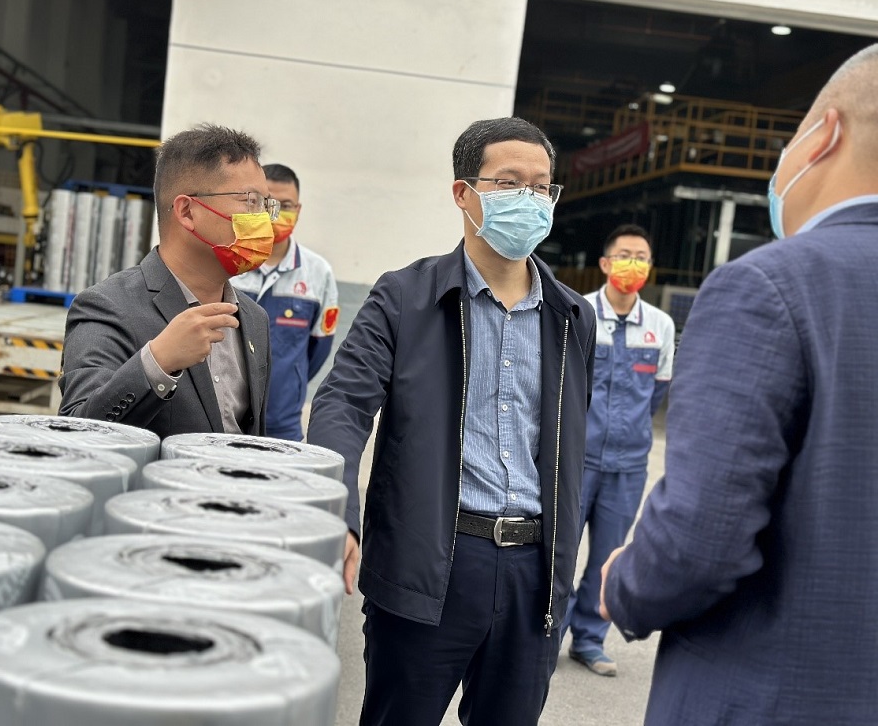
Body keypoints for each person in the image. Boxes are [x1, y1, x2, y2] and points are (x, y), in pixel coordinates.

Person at [599, 44, 878, 724]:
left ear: (824, 135)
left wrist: (626, 584)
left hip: (771, 696)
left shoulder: (769, 286)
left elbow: (702, 538)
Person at [307, 117, 596, 726]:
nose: (529, 199)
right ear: (463, 193)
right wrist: (337, 510)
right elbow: (343, 404)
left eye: (541, 187)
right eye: (509, 183)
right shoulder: (405, 297)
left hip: (533, 573)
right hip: (430, 561)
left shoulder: (571, 317)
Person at [59, 124, 274, 439]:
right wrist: (157, 363)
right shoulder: (108, 306)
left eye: (266, 205)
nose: (264, 220)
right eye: (250, 202)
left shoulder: (254, 319)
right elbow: (78, 431)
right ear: (187, 212)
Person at [563, 224, 674, 677]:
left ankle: (589, 640)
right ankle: (544, 638)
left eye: (641, 257)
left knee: (608, 556)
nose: (633, 264)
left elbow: (657, 393)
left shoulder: (660, 326)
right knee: (558, 552)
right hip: (575, 460)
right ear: (606, 263)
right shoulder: (578, 311)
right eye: (625, 255)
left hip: (627, 467)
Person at [232, 164, 339, 441]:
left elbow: (319, 349)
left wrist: (288, 380)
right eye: (266, 202)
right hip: (225, 419)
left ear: (298, 210)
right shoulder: (229, 263)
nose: (276, 212)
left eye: (286, 205)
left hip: (282, 426)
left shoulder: (318, 273)